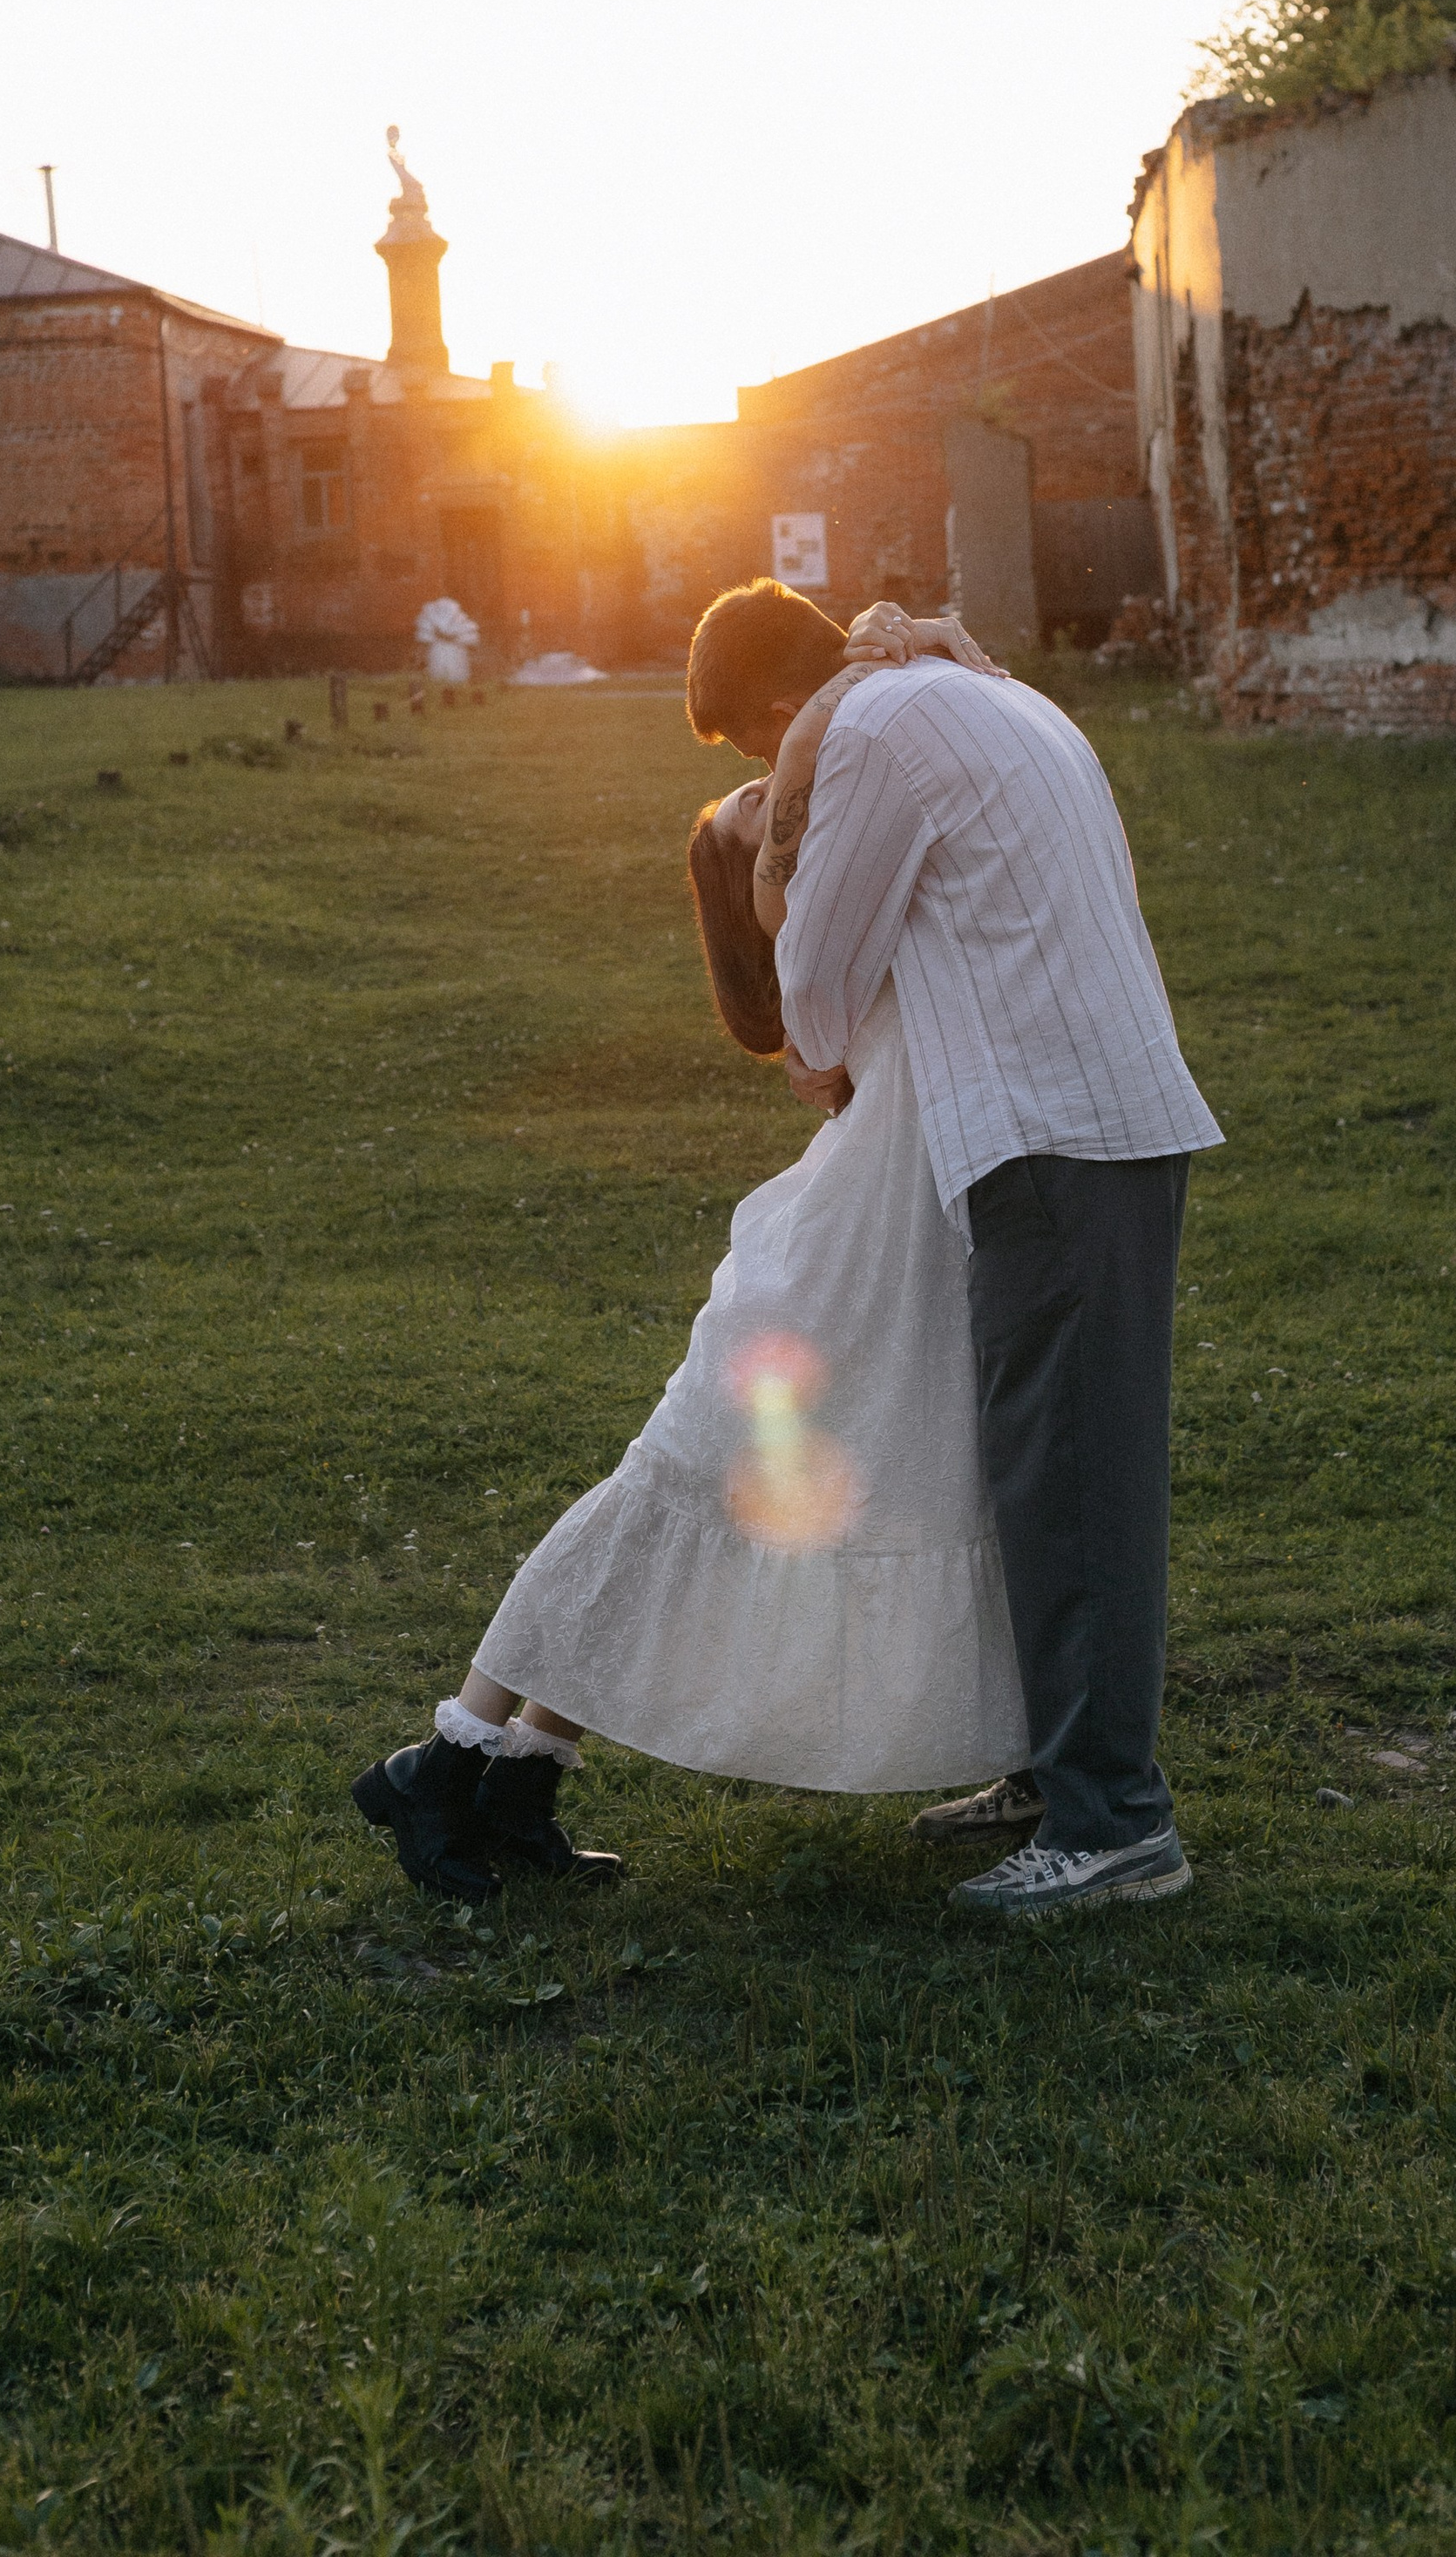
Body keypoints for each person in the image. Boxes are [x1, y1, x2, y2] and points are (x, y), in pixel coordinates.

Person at [350, 613, 1030, 1904]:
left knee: (689, 1507)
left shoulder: (825, 788)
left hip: (877, 1207)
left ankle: (515, 1767)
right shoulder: (767, 819)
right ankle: (451, 1752)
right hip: (848, 1226)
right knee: (671, 1494)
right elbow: (813, 989)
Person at [694, 578, 1222, 1920]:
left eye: (763, 760)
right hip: (1089, 1115)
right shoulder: (994, 696)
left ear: (775, 709)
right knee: (1036, 1464)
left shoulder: (867, 732)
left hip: (1053, 1129)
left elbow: (813, 967)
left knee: (1073, 1476)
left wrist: (812, 1033)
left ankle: (1115, 1825)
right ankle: (1059, 1772)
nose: (777, 786)